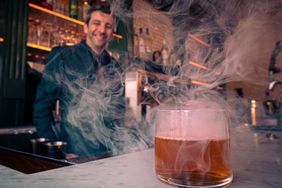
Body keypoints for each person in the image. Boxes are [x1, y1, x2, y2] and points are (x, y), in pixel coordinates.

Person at [33, 3, 125, 158]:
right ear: (86, 27)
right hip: (74, 153)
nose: (102, 30)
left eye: (108, 26)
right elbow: (42, 108)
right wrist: (57, 151)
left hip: (110, 154)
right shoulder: (62, 56)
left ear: (112, 32)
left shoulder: (115, 66)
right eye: (96, 23)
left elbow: (118, 113)